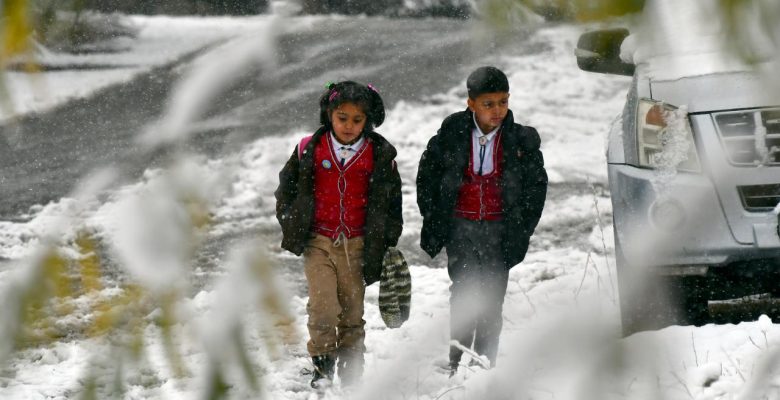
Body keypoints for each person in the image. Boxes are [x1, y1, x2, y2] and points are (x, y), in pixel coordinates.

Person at [416, 66, 547, 374]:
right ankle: (456, 360)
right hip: (461, 228)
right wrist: (435, 217)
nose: (497, 110)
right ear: (470, 103)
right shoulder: (451, 135)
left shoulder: (520, 141)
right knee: (463, 293)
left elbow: (536, 187)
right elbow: (427, 177)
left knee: (491, 298)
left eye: (503, 102)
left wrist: (522, 228)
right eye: (488, 104)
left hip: (500, 231)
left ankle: (483, 364)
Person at [275, 81, 402, 388]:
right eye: (342, 117)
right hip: (318, 242)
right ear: (329, 114)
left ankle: (352, 372)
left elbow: (392, 204)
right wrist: (292, 222)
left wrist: (386, 240)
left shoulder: (379, 155)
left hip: (358, 245)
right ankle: (322, 367)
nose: (348, 126)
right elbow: (286, 191)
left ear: (368, 121)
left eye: (357, 120)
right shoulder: (309, 149)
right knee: (322, 309)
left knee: (351, 312)